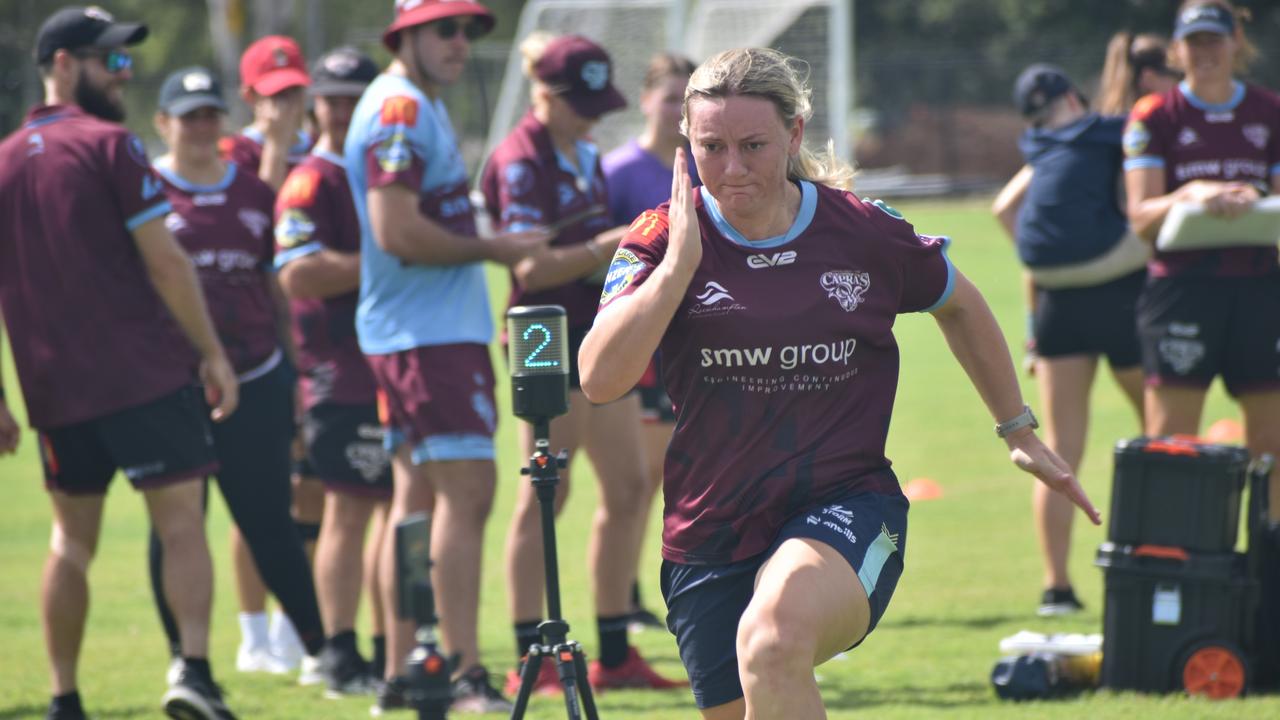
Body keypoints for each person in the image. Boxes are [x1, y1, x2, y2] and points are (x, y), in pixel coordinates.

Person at [578, 47, 1100, 718]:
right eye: (711, 147)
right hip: (710, 531)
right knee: (759, 681)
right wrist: (680, 267)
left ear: (793, 135)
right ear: (686, 142)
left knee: (771, 641)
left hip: (845, 507)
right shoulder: (657, 239)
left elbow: (961, 303)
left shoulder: (860, 231)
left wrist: (1017, 429)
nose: (732, 169)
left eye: (753, 145)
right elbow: (598, 379)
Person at [0, 7, 239, 719]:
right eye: (113, 62)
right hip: (144, 377)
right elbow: (167, 263)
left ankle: (63, 699)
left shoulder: (5, 161)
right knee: (182, 523)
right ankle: (192, 671)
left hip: (54, 392)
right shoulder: (112, 144)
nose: (123, 75)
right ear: (65, 65)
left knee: (70, 542)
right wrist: (212, 353)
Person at [344, 0, 549, 712]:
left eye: (469, 29)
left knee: (415, 506)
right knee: (468, 496)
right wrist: (496, 248)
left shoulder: (411, 103)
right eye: (445, 28)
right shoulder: (400, 109)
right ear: (405, 34)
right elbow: (394, 228)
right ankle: (460, 674)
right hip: (425, 339)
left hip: (415, 335)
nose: (461, 41)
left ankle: (405, 673)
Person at [480, 33, 685, 695]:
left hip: (592, 329)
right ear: (544, 92)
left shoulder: (583, 151)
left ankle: (617, 653)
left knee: (628, 488)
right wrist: (617, 239)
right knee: (547, 492)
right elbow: (532, 264)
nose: (593, 115)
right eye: (581, 102)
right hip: (541, 335)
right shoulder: (519, 159)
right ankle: (525, 659)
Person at [144, 64, 330, 691]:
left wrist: (294, 370)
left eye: (209, 116)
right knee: (174, 522)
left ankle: (320, 649)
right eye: (187, 116)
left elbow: (277, 293)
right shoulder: (145, 191)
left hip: (256, 376)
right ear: (162, 123)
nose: (200, 127)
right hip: (171, 386)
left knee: (270, 518)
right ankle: (185, 660)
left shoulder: (253, 193)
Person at [989, 63, 1171, 616]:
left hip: (1056, 303)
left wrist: (1030, 328)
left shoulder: (1039, 146)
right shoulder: (1112, 131)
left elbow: (1003, 209)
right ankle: (1164, 560)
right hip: (1119, 291)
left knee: (1058, 450)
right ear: (1075, 96)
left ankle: (1056, 589)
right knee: (1163, 436)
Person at [1123, 3, 1280, 522]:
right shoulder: (1154, 114)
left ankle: (1267, 570)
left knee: (1271, 446)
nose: (1205, 53)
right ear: (1177, 49)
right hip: (1181, 291)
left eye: (1215, 40)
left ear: (1236, 41)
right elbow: (1141, 216)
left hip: (1259, 288)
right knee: (1173, 445)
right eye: (1194, 43)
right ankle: (1173, 571)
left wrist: (1250, 198)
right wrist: (1192, 193)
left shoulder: (1269, 111)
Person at [274, 45, 392, 696]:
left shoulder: (374, 169)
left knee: (393, 511)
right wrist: (385, 254)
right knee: (348, 510)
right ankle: (337, 651)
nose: (343, 111)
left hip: (387, 364)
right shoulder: (311, 178)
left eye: (354, 98)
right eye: (332, 99)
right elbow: (296, 272)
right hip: (338, 372)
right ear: (314, 103)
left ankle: (384, 647)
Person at [218, 33, 321, 673]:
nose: (285, 105)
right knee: (257, 495)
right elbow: (249, 229)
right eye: (272, 95)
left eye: (294, 93)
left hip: (312, 342)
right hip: (254, 347)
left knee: (309, 491)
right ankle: (253, 632)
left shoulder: (318, 159)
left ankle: (292, 627)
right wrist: (276, 151)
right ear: (249, 97)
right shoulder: (234, 156)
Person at [601, 51, 698, 632]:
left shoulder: (708, 164)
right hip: (641, 350)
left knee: (663, 476)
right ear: (645, 100)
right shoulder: (619, 171)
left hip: (693, 346)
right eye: (667, 97)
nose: (675, 111)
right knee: (636, 479)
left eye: (686, 101)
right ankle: (625, 592)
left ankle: (634, 587)